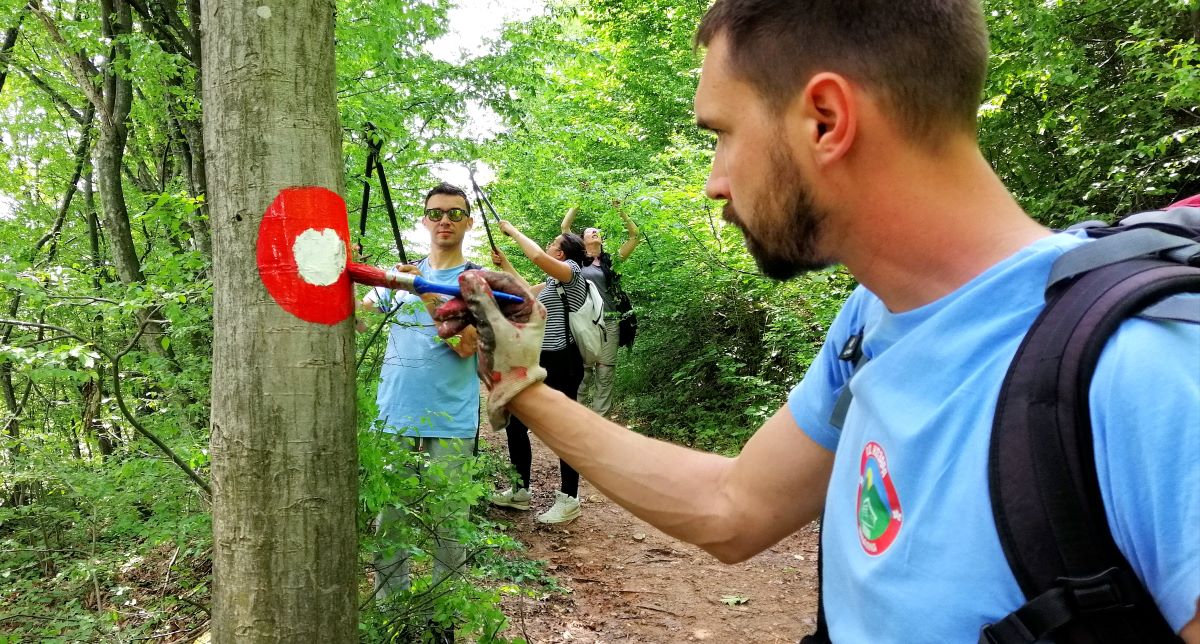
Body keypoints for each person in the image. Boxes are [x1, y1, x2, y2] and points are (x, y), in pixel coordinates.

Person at [433, 1, 1200, 641]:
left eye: (722, 135)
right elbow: (732, 508)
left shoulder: (1146, 370)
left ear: (827, 120)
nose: (713, 183)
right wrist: (521, 381)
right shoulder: (873, 320)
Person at [357, 182, 480, 608]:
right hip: (394, 415)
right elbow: (354, 321)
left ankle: (442, 615)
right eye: (436, 213)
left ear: (469, 221)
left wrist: (422, 290)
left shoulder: (477, 282)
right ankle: (391, 613)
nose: (444, 220)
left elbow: (466, 346)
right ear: (424, 219)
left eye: (454, 213)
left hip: (450, 419)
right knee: (390, 523)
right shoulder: (400, 275)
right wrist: (351, 270)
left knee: (449, 524)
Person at [486, 222, 590, 524]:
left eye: (552, 243)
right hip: (540, 361)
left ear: (562, 251)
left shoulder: (572, 274)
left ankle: (569, 498)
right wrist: (504, 262)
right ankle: (520, 491)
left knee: (563, 431)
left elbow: (536, 258)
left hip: (564, 363)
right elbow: (524, 294)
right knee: (515, 423)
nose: (547, 246)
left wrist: (514, 231)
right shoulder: (553, 281)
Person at [561, 201, 640, 417]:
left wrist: (619, 209)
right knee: (584, 374)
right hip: (584, 323)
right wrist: (577, 201)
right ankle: (576, 420)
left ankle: (599, 423)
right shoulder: (576, 261)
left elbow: (635, 236)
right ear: (582, 240)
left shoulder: (611, 261)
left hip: (610, 322)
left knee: (605, 374)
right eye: (589, 231)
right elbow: (565, 228)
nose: (594, 232)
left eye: (597, 232)